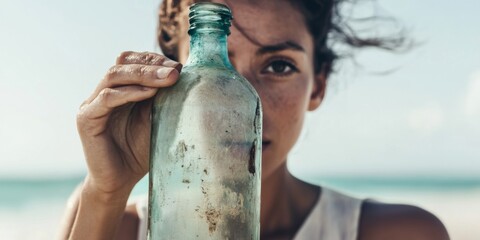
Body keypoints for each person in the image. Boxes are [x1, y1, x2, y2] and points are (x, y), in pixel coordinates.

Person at [59, 0, 450, 239]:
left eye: (279, 66)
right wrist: (105, 194)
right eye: (213, 72)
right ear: (168, 80)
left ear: (317, 87)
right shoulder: (114, 227)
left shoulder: (400, 234)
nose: (238, 103)